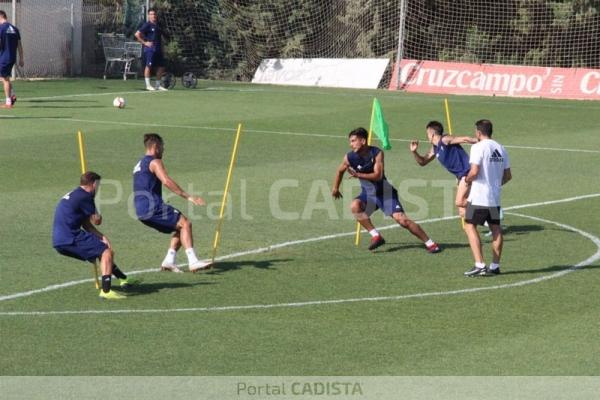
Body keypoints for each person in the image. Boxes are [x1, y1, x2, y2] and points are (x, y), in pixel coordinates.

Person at [332, 127, 441, 253]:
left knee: (403, 220)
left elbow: (377, 175)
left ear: (363, 141)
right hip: (368, 194)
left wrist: (358, 175)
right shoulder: (349, 157)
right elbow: (340, 171)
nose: (351, 144)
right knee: (354, 206)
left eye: (353, 141)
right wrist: (335, 188)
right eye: (350, 141)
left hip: (385, 193)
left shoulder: (377, 153)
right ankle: (376, 236)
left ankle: (430, 243)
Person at [133, 133, 212, 272]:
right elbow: (166, 181)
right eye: (162, 147)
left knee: (179, 227)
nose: (163, 150)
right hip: (153, 206)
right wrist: (189, 197)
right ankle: (193, 261)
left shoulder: (139, 164)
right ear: (156, 146)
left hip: (140, 210)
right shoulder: (154, 161)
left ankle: (169, 261)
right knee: (185, 224)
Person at [52, 172, 135, 300]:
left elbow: (86, 225)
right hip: (71, 237)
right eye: (98, 185)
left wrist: (102, 236)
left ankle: (123, 278)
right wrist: (95, 207)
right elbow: (97, 220)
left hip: (59, 240)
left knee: (103, 250)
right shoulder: (85, 196)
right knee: (105, 252)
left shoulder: (76, 194)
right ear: (94, 184)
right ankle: (106, 291)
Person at [463, 119, 512, 277]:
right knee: (496, 229)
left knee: (469, 226)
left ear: (478, 132)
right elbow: (508, 176)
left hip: (479, 197)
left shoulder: (477, 147)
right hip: (494, 198)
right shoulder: (501, 148)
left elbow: (475, 171)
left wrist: (466, 179)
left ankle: (479, 264)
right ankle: (495, 265)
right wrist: (495, 184)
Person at [409, 121, 477, 219]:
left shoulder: (445, 139)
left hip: (467, 173)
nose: (427, 136)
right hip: (460, 176)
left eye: (427, 134)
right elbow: (423, 162)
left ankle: (486, 209)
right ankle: (490, 222)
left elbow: (465, 139)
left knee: (460, 202)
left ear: (432, 134)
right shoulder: (434, 148)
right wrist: (414, 152)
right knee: (463, 212)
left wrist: (483, 141)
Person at [135, 7, 167, 91]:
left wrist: (163, 48)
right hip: (150, 49)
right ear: (149, 16)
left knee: (161, 67)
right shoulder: (147, 25)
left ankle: (157, 85)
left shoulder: (158, 25)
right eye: (152, 14)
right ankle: (148, 85)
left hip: (158, 49)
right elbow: (137, 34)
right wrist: (145, 43)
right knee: (148, 66)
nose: (154, 16)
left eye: (154, 14)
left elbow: (161, 38)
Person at [0, 10, 23, 109]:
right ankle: (12, 95)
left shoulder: (1, 29)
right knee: (4, 77)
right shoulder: (14, 29)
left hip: (4, 57)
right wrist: (21, 58)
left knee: (5, 79)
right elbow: (19, 45)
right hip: (11, 57)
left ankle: (8, 102)